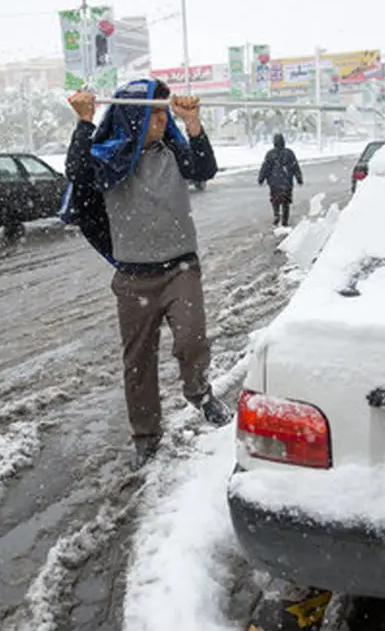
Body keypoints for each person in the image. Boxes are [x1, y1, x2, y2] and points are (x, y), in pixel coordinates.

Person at [63, 79, 233, 470]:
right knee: (138, 362)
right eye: (155, 112)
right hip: (134, 278)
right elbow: (77, 172)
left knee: (192, 340)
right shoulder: (109, 160)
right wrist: (85, 121)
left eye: (163, 111)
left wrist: (192, 123)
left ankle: (200, 394)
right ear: (134, 117)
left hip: (180, 269)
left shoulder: (173, 153)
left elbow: (204, 168)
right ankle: (147, 436)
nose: (162, 118)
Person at [258, 133, 304, 227]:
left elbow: (265, 167)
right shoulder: (289, 153)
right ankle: (285, 220)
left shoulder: (270, 154)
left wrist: (261, 178)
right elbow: (295, 167)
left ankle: (276, 214)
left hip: (274, 182)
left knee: (275, 200)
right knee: (286, 201)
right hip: (287, 182)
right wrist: (299, 178)